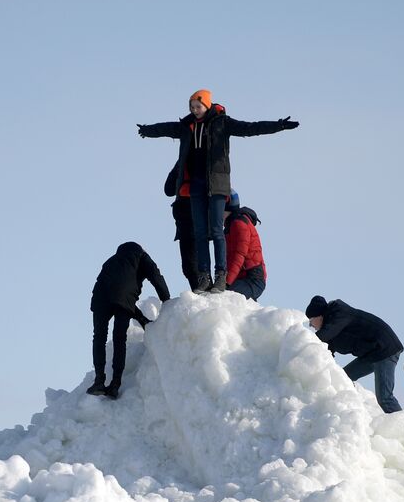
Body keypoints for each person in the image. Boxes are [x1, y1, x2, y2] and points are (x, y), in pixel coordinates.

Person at [138, 90, 298, 292]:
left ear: (207, 105)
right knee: (201, 233)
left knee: (216, 230)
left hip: (217, 185)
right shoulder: (187, 126)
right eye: (192, 107)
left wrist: (279, 125)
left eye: (198, 106)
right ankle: (204, 277)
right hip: (195, 186)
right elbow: (166, 128)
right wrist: (147, 130)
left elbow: (250, 128)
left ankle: (220, 276)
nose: (195, 111)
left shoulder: (222, 122)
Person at [88, 242, 170, 399]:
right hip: (123, 299)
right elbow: (155, 276)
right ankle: (115, 384)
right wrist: (167, 301)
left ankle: (99, 380)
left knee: (99, 337)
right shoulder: (141, 257)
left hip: (99, 299)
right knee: (119, 338)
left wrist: (140, 317)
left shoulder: (111, 261)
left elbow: (114, 291)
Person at [304, 295, 404, 412]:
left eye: (311, 321)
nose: (311, 326)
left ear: (319, 316)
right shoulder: (330, 328)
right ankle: (349, 413)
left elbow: (323, 337)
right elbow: (325, 352)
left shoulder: (340, 313)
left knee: (385, 398)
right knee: (342, 378)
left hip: (385, 349)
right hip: (371, 353)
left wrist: (304, 342)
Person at [222, 191, 266, 301]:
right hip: (241, 278)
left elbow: (239, 255)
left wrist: (227, 282)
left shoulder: (239, 223)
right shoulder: (229, 227)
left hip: (253, 279)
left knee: (225, 298)